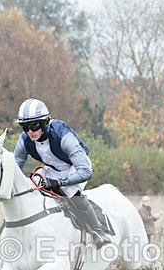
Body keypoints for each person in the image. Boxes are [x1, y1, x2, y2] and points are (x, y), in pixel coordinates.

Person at [13, 98, 111, 247]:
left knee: (69, 189)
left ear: (45, 122)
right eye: (24, 127)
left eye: (34, 126)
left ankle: (99, 232)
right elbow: (17, 163)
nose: (29, 131)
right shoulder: (24, 139)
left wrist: (59, 182)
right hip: (53, 169)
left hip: (76, 167)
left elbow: (85, 171)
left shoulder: (63, 135)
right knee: (34, 189)